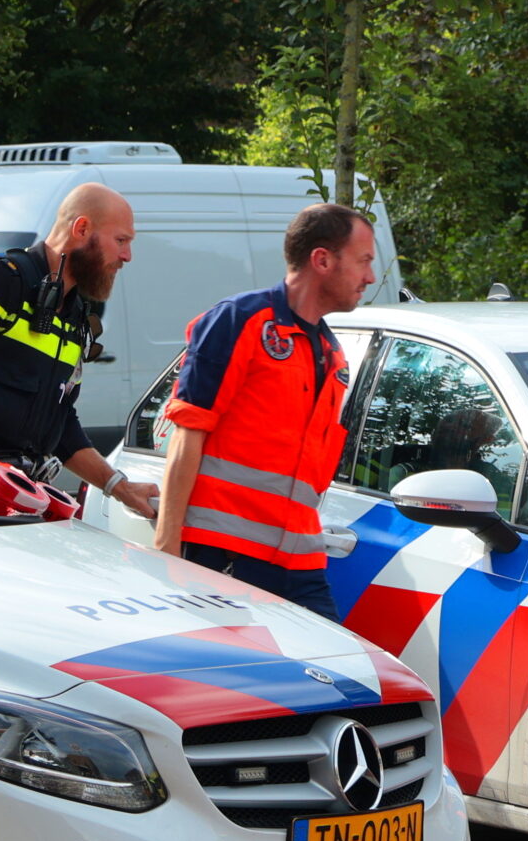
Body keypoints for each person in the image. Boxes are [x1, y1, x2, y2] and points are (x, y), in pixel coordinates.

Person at [152, 201, 377, 622]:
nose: (370, 277)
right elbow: (187, 431)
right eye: (363, 261)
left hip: (300, 559)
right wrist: (167, 548)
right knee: (227, 681)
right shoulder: (239, 320)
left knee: (335, 676)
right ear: (322, 260)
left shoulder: (331, 352)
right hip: (221, 552)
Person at [0, 182, 159, 522]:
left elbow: (60, 422)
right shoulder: (2, 280)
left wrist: (122, 489)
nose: (127, 256)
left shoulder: (75, 315)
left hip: (14, 501)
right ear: (82, 229)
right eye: (121, 240)